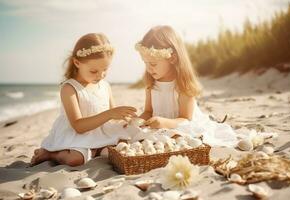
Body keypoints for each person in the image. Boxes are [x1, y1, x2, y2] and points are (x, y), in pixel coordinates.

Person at [31, 33, 137, 166]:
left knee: (121, 148)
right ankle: (51, 153)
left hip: (101, 133)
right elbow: (78, 126)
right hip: (77, 136)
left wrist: (125, 118)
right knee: (76, 160)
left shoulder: (105, 85)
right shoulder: (70, 88)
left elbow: (112, 115)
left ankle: (96, 150)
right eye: (94, 71)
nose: (101, 75)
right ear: (77, 63)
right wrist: (110, 113)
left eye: (105, 69)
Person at [135, 25, 237, 147]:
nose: (148, 68)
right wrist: (139, 120)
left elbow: (185, 119)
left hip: (182, 126)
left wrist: (164, 122)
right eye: (145, 63)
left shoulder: (182, 85)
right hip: (160, 126)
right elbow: (148, 111)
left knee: (180, 139)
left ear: (172, 59)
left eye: (153, 64)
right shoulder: (152, 84)